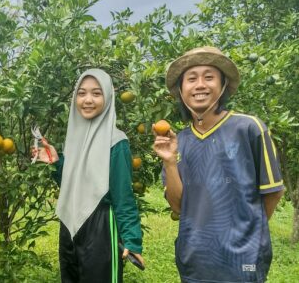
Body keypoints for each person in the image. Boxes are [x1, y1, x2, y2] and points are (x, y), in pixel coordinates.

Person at [153, 46, 284, 282]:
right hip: (194, 262)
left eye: (209, 77)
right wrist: (171, 162)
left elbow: (272, 193)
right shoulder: (178, 141)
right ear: (181, 90)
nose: (200, 85)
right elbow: (179, 207)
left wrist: (245, 237)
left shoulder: (249, 128)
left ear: (222, 85)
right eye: (191, 79)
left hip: (242, 263)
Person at [33, 68, 144, 282]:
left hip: (101, 226)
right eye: (82, 93)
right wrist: (57, 163)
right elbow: (73, 185)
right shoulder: (74, 138)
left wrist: (132, 240)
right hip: (70, 223)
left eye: (96, 93)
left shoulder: (116, 142)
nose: (88, 100)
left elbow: (123, 196)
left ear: (108, 97)